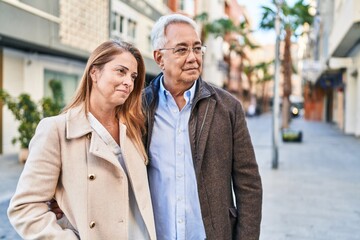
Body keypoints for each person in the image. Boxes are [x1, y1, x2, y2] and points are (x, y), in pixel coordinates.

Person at [7, 40, 156, 240]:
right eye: (121, 71)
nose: (129, 82)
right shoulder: (57, 130)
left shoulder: (135, 129)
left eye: (133, 76)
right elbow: (25, 208)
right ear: (94, 73)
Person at [143, 14, 262, 240]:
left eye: (197, 49)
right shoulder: (139, 108)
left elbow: (249, 184)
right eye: (181, 50)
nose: (193, 58)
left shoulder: (228, 108)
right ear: (159, 58)